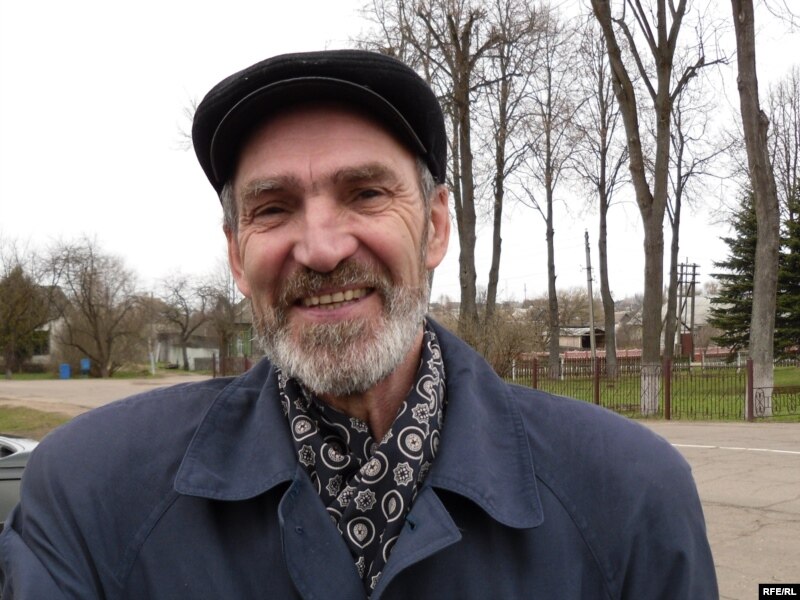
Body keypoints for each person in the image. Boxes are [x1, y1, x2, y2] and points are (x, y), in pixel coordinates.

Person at [0, 50, 718, 599]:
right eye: (272, 208)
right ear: (237, 255)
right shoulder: (92, 496)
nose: (320, 248)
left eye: (366, 193)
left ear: (435, 226)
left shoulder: (628, 497)